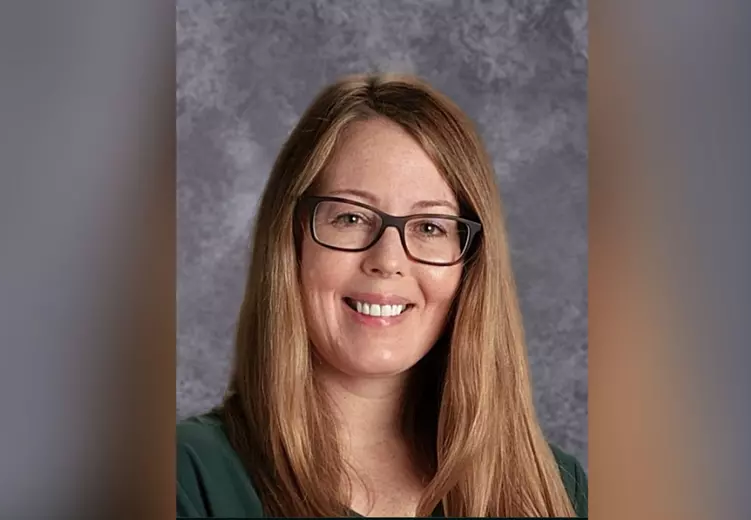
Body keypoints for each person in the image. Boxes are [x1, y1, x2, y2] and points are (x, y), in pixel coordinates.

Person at [177, 73, 588, 518]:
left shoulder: (553, 489)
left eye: (430, 227)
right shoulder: (187, 477)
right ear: (292, 240)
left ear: (469, 264)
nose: (387, 259)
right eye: (351, 219)